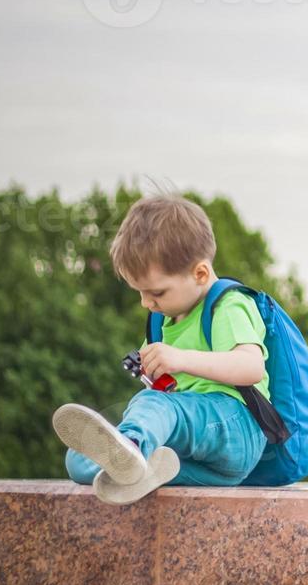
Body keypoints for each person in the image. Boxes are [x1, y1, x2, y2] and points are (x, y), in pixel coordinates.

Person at [53, 194, 271, 504]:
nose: (146, 303)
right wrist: (152, 371)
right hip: (198, 460)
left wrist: (181, 359)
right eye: (140, 292)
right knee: (79, 461)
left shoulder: (228, 305)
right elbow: (169, 393)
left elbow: (251, 368)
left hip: (236, 428)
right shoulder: (163, 320)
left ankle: (130, 448)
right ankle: (136, 465)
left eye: (156, 292)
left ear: (200, 274)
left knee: (154, 404)